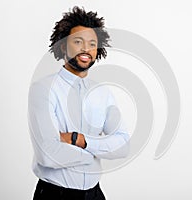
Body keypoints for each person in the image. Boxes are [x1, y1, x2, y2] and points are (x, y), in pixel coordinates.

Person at [28, 6, 130, 200]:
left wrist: (80, 141)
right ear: (63, 45)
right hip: (55, 195)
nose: (86, 49)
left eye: (92, 43)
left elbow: (123, 145)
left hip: (95, 194)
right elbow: (47, 155)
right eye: (78, 41)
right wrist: (96, 153)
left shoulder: (103, 93)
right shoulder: (43, 88)